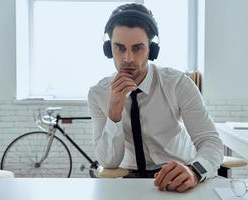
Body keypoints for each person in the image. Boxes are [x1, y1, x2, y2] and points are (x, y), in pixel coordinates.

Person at [88, 3, 223, 193]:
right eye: (119, 48)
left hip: (180, 170)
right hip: (129, 176)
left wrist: (195, 170)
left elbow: (211, 142)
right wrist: (114, 113)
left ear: (152, 50)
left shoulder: (178, 84)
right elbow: (108, 162)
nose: (127, 58)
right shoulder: (98, 93)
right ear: (108, 48)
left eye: (137, 48)